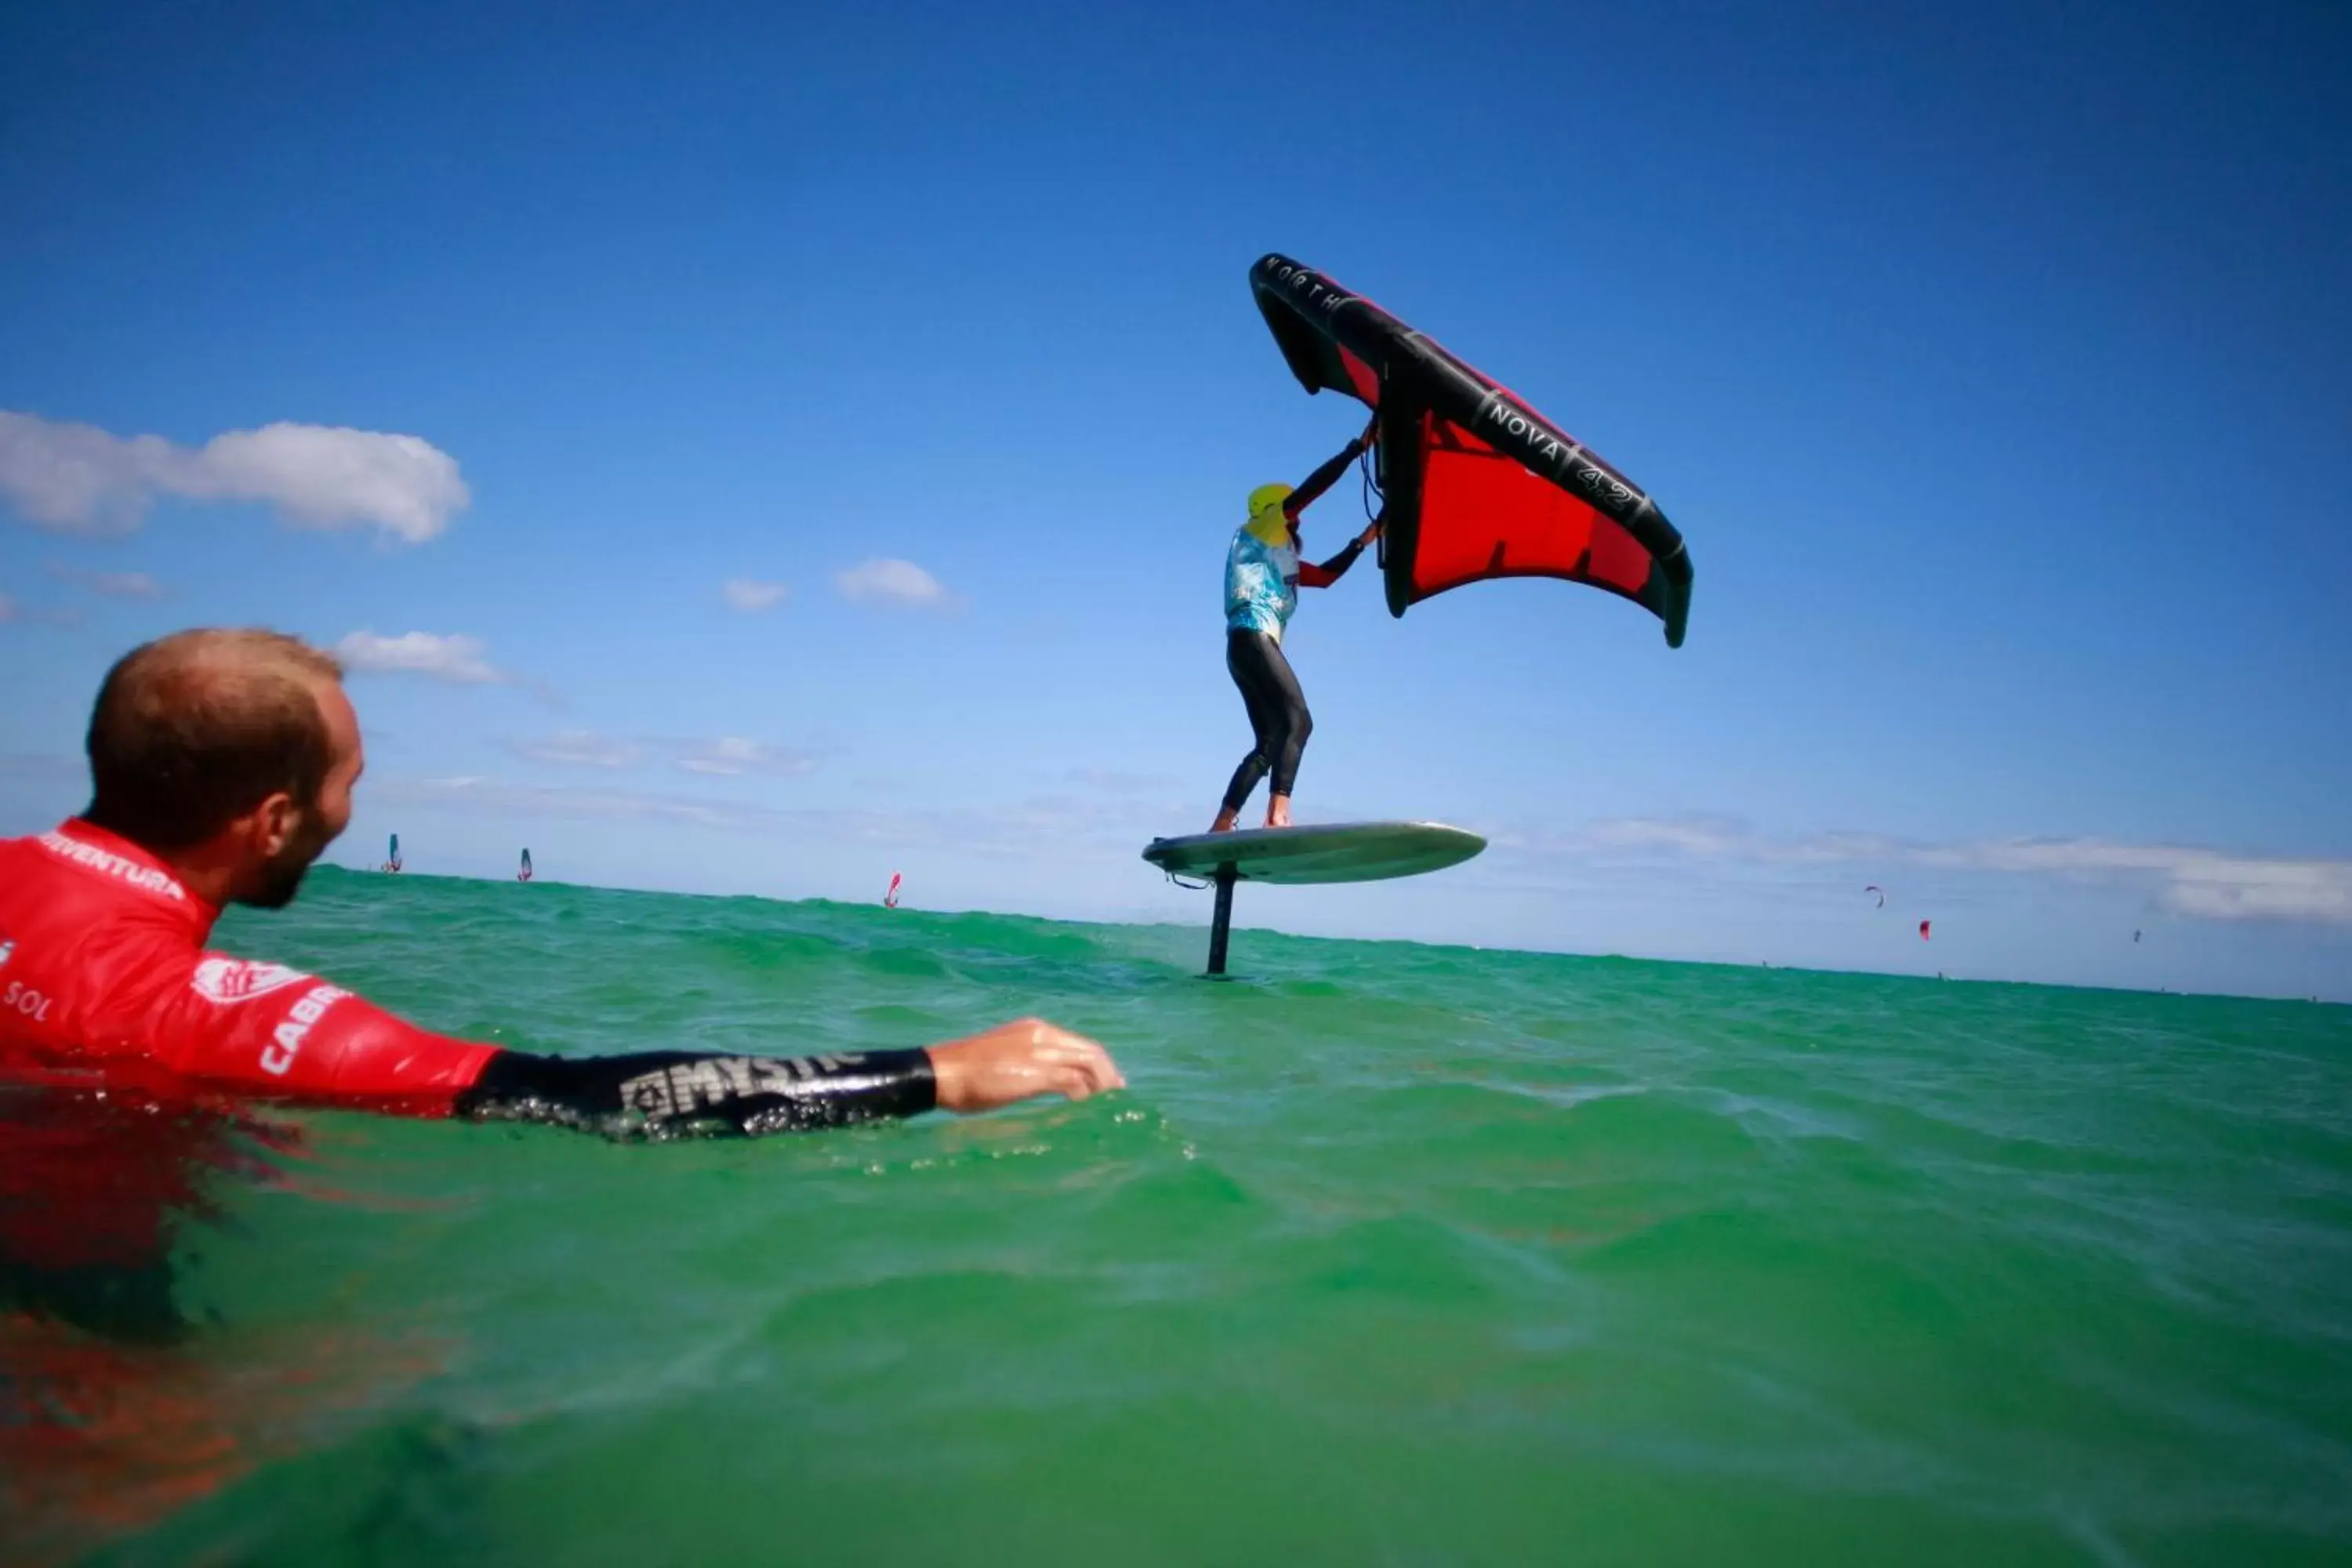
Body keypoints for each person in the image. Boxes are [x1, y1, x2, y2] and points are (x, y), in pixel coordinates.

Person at [0, 630, 1125, 1138]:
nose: (350, 816)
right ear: (278, 819)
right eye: (350, 786)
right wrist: (938, 1071)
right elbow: (588, 1097)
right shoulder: (188, 1008)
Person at [1210, 420, 1383, 833]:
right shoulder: (1259, 528)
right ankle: (1277, 816)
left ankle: (1222, 823)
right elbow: (1309, 493)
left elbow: (1325, 575)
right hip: (1253, 637)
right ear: (1275, 512)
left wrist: (1367, 537)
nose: (1299, 524)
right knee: (1299, 722)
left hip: (1241, 647)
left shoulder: (1277, 558)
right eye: (1293, 517)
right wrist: (1357, 448)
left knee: (1269, 743)